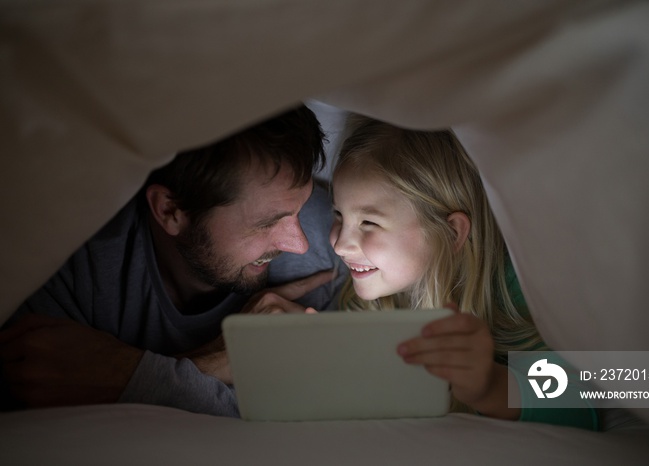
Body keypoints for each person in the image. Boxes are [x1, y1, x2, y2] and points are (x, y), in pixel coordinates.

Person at [0, 104, 347, 416]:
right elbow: (29, 408)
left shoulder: (329, 236)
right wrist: (219, 361)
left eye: (298, 210)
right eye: (267, 223)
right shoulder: (73, 258)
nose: (297, 243)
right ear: (170, 211)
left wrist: (125, 375)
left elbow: (314, 410)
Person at [329, 115, 598, 430]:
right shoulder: (365, 299)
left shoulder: (516, 294)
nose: (340, 245)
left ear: (452, 232)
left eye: (368, 223)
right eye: (337, 215)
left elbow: (579, 404)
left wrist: (490, 386)